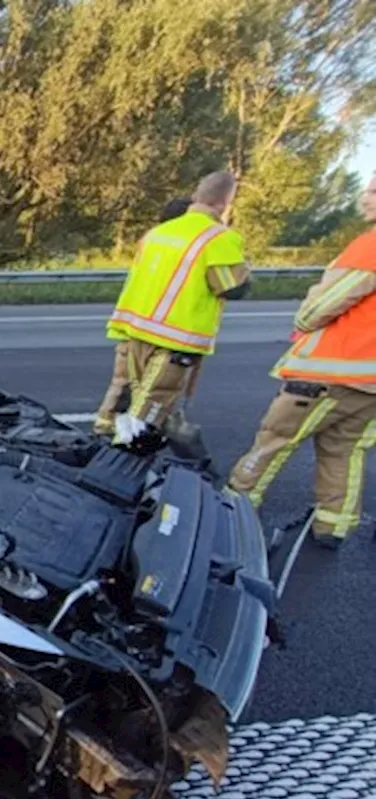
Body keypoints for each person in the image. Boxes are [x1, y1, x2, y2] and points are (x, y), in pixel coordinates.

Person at [227, 172, 376, 549]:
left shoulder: (369, 246)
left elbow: (326, 304)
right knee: (345, 451)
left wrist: (304, 318)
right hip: (369, 383)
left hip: (330, 372)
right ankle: (333, 527)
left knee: (274, 440)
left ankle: (234, 512)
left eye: (374, 189)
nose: (366, 196)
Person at [99, 173, 252, 446]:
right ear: (225, 203)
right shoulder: (219, 237)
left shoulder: (158, 232)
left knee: (130, 396)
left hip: (136, 329)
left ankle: (103, 443)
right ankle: (118, 469)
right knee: (145, 416)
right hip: (175, 336)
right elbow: (231, 287)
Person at [93, 196, 194, 435]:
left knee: (123, 383)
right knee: (154, 391)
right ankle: (133, 437)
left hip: (132, 324)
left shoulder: (151, 242)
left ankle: (106, 428)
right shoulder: (181, 248)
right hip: (160, 331)